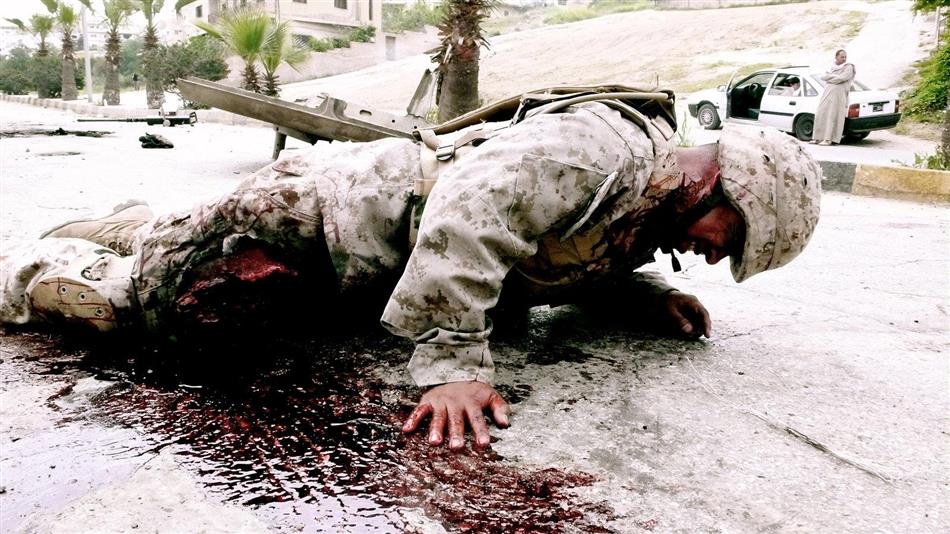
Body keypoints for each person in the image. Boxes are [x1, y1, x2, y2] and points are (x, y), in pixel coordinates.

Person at [0, 96, 822, 451]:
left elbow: (566, 253)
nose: (716, 256)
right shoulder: (602, 148)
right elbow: (469, 212)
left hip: (354, 271)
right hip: (311, 219)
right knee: (154, 309)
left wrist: (646, 296)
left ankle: (134, 225)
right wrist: (455, 366)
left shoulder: (647, 203)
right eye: (730, 241)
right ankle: (30, 267)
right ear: (722, 188)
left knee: (176, 253)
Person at [812, 49, 856, 146]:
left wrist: (830, 78)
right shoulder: (831, 66)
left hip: (838, 96)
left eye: (845, 57)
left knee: (833, 116)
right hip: (827, 94)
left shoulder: (849, 66)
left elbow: (842, 78)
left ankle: (828, 139)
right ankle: (818, 137)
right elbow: (823, 77)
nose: (844, 59)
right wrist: (833, 77)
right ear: (836, 57)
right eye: (842, 57)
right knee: (821, 113)